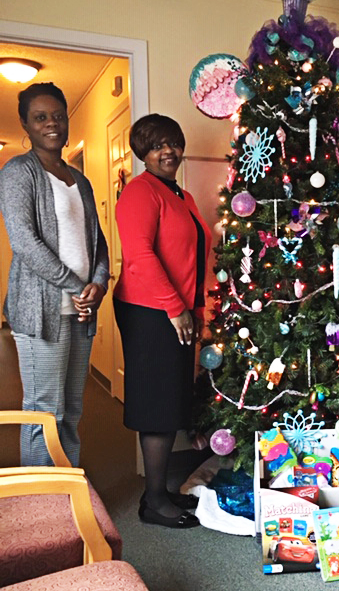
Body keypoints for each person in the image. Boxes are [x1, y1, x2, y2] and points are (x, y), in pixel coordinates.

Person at [0, 82, 109, 467]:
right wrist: (79, 285)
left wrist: (98, 283)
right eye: (40, 117)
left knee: (72, 409)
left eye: (58, 116)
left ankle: (67, 491)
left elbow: (98, 242)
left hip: (80, 311)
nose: (52, 124)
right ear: (25, 125)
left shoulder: (80, 180)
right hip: (39, 311)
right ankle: (41, 501)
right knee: (44, 412)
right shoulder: (18, 172)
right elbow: (25, 243)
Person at [113, 113, 211, 529]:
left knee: (169, 400)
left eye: (172, 141)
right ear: (142, 153)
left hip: (176, 310)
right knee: (156, 403)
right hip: (151, 311)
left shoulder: (182, 196)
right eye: (155, 145)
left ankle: (160, 491)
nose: (166, 151)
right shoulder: (140, 193)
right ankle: (152, 502)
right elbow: (140, 257)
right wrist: (175, 309)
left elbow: (194, 258)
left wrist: (197, 310)